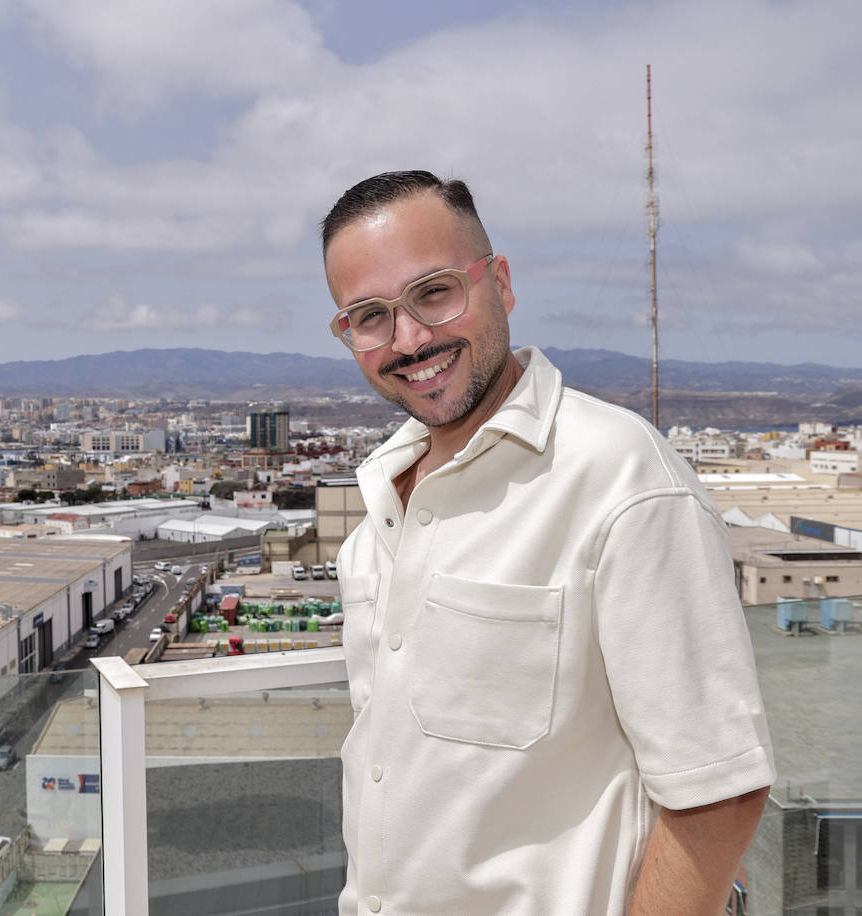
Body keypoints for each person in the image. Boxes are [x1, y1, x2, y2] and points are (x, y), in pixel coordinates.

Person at [321, 170, 774, 915]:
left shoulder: (622, 480)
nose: (408, 339)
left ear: (499, 282)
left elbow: (717, 794)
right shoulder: (383, 503)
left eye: (434, 293)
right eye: (369, 316)